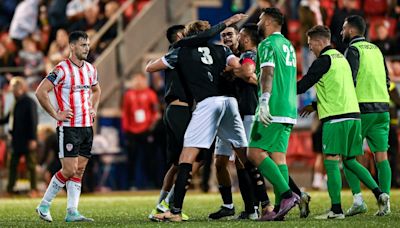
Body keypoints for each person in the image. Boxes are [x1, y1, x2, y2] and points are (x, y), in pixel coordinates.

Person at [146, 19, 248, 222]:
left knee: (184, 160)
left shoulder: (179, 52)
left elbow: (150, 68)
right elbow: (240, 68)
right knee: (243, 155)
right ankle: (258, 205)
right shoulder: (221, 51)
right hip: (217, 104)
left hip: (193, 107)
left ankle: (169, 206)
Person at [297, 25, 389, 219]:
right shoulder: (341, 58)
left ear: (318, 41)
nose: (310, 48)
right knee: (350, 160)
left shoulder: (323, 61)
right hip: (354, 116)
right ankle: (380, 194)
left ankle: (336, 210)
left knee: (330, 161)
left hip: (336, 117)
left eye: (310, 44)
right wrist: (314, 105)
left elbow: (301, 87)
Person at [35, 31, 101, 222]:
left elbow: (96, 90)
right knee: (69, 170)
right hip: (69, 127)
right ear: (72, 46)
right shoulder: (61, 69)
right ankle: (44, 205)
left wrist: (93, 108)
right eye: (83, 45)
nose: (87, 48)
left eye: (88, 45)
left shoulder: (91, 69)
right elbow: (41, 92)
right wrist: (56, 114)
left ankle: (72, 211)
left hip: (87, 127)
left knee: (79, 170)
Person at [246, 7, 300, 221]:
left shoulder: (267, 44)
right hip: (288, 108)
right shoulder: (288, 45)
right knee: (279, 157)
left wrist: (265, 100)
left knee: (254, 152)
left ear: (268, 21)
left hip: (273, 106)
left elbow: (268, 72)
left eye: (260, 19)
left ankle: (288, 195)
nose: (258, 23)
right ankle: (279, 210)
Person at [341, 15, 392, 216]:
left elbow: (349, 81)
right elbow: (387, 80)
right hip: (383, 109)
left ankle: (360, 199)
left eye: (344, 28)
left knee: (348, 156)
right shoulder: (377, 50)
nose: (342, 32)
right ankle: (385, 203)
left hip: (362, 110)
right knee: (381, 157)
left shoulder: (353, 50)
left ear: (352, 31)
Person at [0, 77, 38, 196]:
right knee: (12, 165)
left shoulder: (29, 101)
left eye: (16, 86)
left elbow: (33, 121)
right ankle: (10, 189)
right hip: (16, 139)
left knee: (31, 165)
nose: (14, 89)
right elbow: (7, 119)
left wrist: (32, 139)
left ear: (22, 87)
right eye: (13, 86)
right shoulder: (15, 102)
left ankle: (34, 189)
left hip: (26, 139)